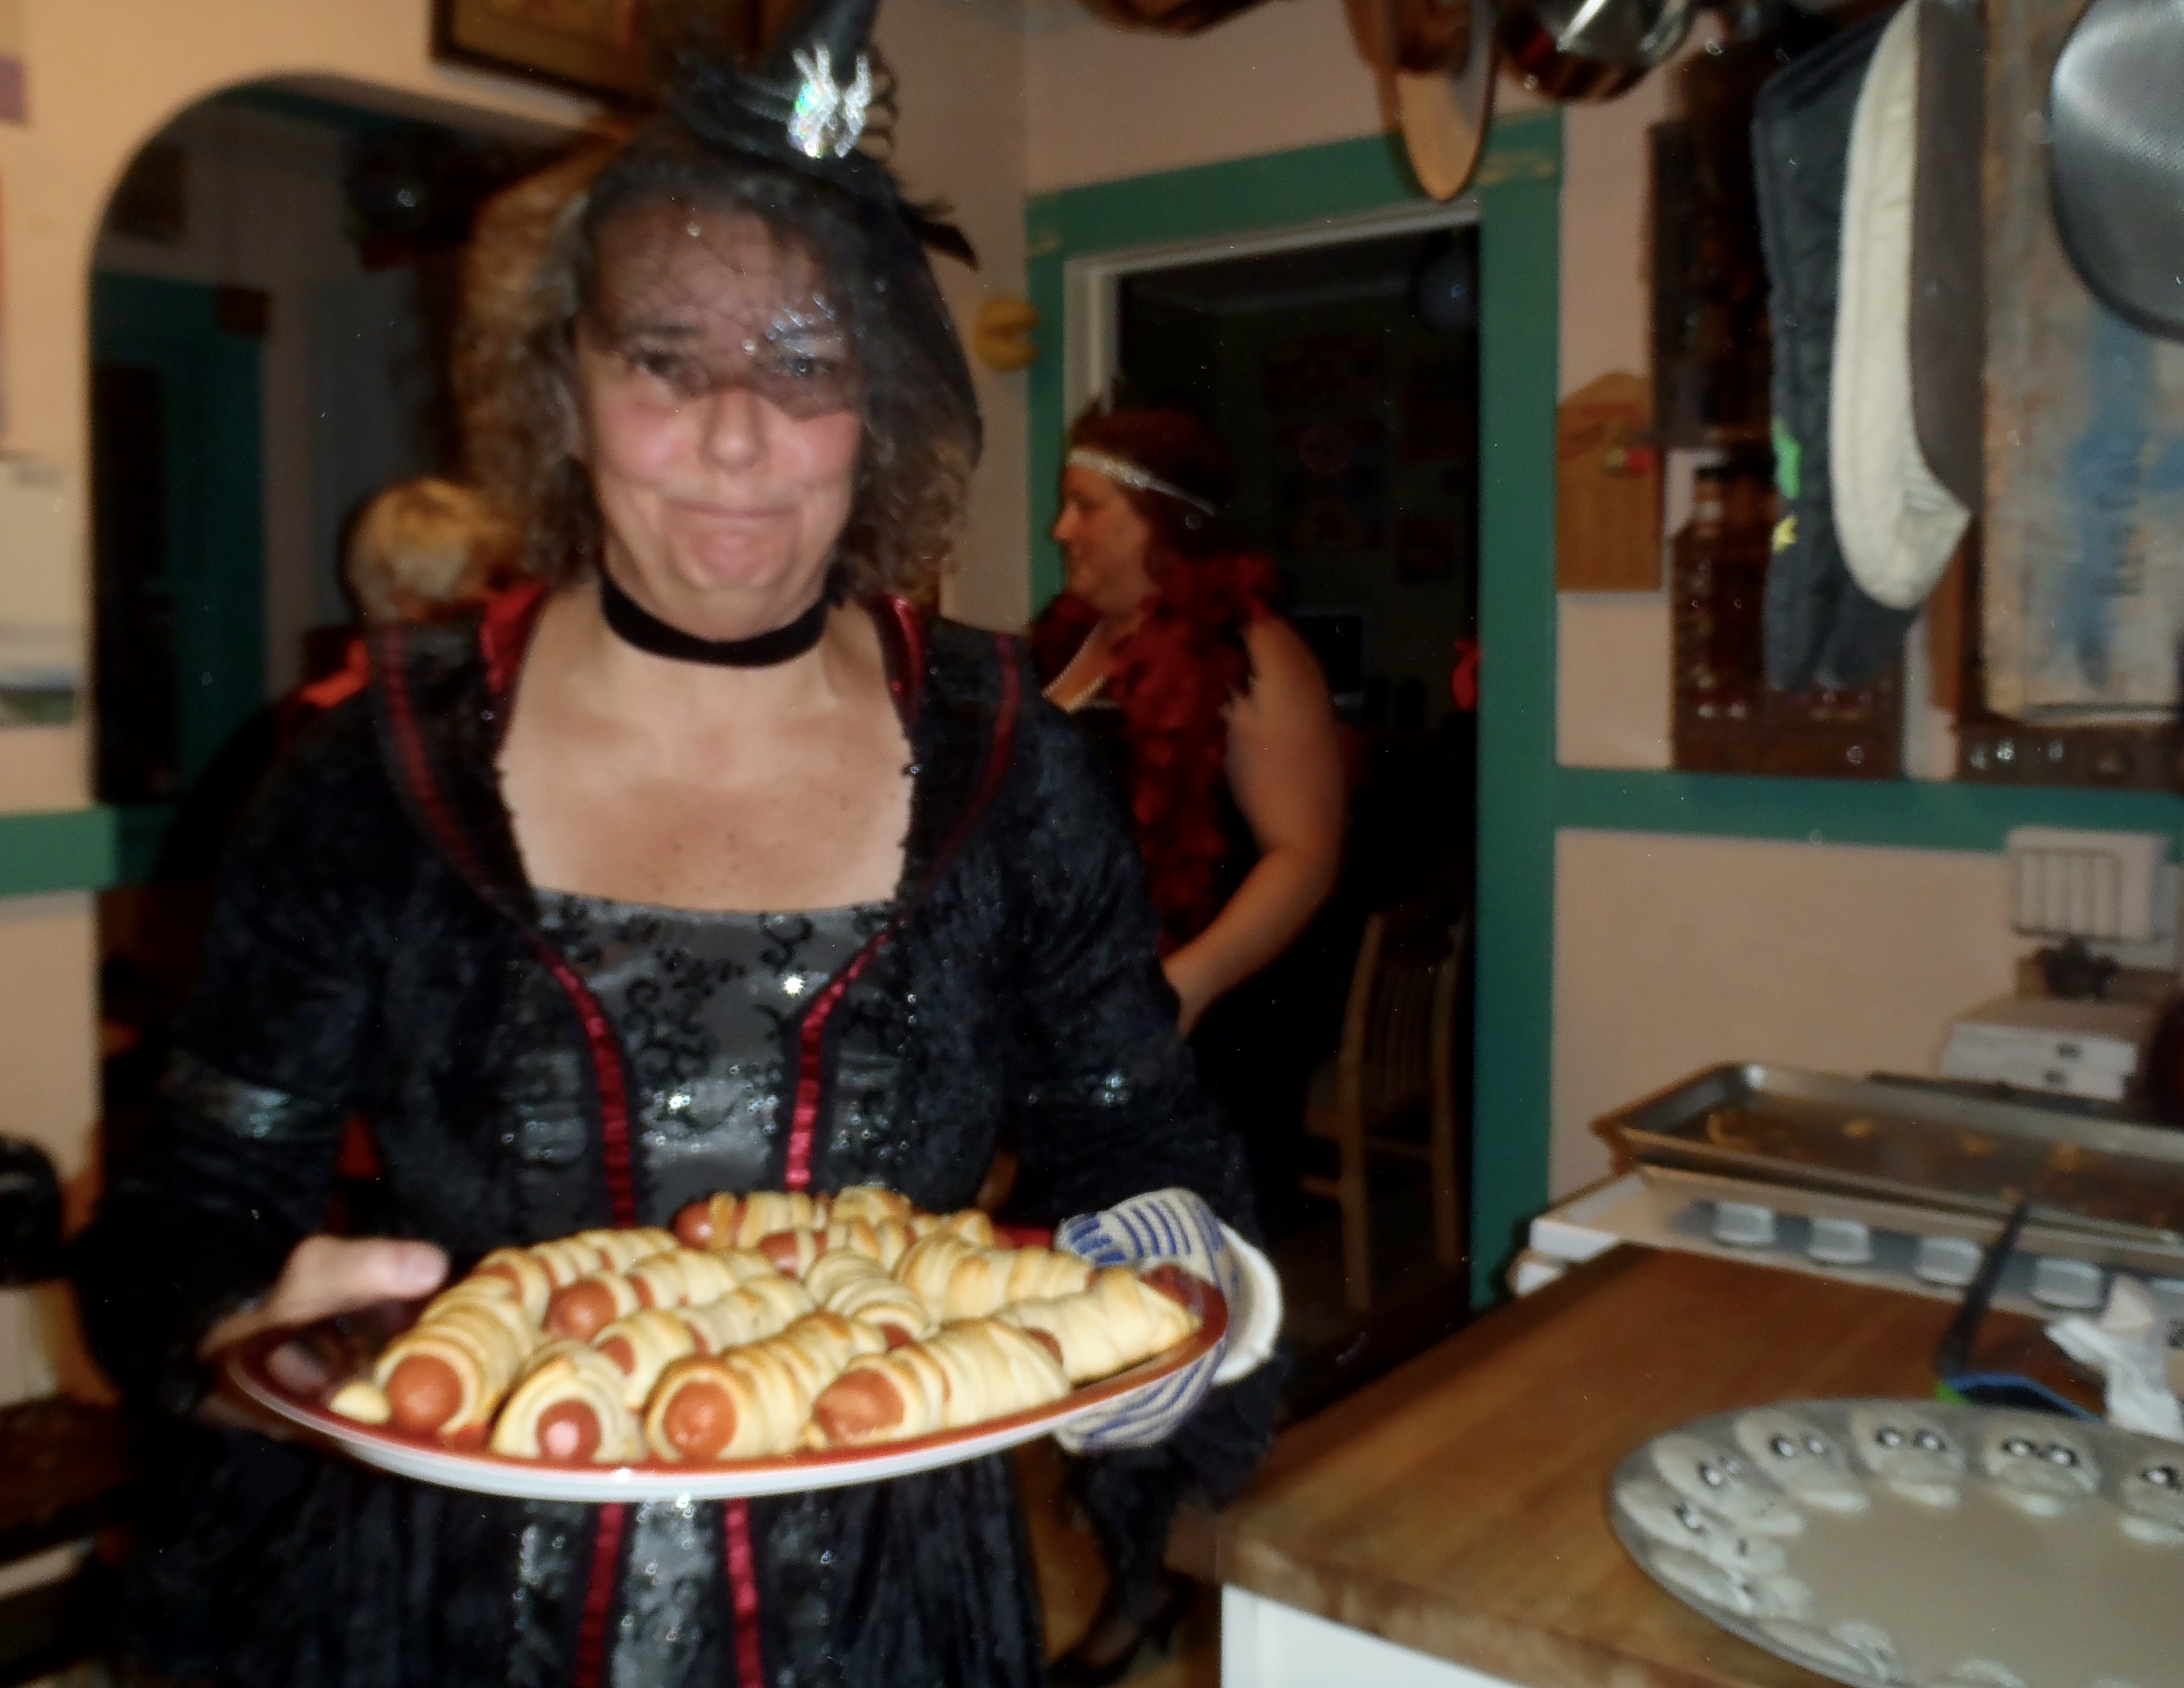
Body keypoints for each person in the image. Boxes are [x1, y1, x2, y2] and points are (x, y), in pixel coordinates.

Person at [68, 4, 1276, 1683]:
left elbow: (1131, 1132)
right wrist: (238, 1329)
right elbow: (184, 1208)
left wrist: (1172, 1296)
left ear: (878, 407)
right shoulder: (376, 776)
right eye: (663, 358)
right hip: (452, 1616)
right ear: (563, 387)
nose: (734, 435)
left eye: (804, 363)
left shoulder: (1010, 765)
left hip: (892, 1621)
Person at [1031, 406, 1343, 1683]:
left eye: (1087, 505)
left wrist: (1184, 985)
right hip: (1074, 1035)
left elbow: (1303, 853)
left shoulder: (1251, 651)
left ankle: (1166, 1583)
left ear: (1164, 521)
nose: (1061, 529)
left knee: (1178, 1306)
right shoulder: (1069, 646)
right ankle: (1132, 1547)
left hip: (1196, 1032)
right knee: (1086, 1300)